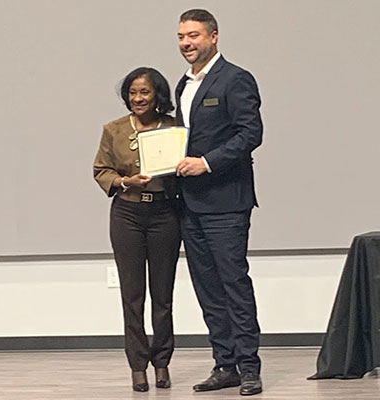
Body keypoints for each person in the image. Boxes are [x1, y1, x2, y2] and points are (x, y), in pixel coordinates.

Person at [175, 9, 263, 396]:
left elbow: (250, 133)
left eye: (193, 35)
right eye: (180, 37)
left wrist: (207, 163)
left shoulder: (235, 78)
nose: (186, 43)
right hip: (189, 203)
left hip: (226, 202)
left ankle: (249, 368)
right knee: (207, 287)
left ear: (213, 37)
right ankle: (223, 364)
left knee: (233, 283)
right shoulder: (184, 84)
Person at [93, 67, 181, 393]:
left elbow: (185, 166)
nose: (138, 98)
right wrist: (122, 181)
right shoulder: (113, 130)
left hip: (164, 213)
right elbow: (101, 169)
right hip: (127, 213)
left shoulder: (174, 127)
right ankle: (138, 366)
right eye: (132, 93)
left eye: (144, 92)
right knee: (133, 296)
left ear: (158, 95)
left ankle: (162, 362)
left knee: (163, 294)